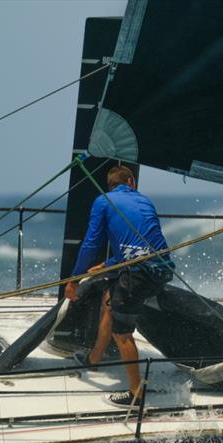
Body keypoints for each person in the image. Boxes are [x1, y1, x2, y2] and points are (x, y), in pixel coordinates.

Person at [65, 165, 174, 408]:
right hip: (163, 269)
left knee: (122, 333)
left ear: (110, 185)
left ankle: (135, 393)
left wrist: (73, 280)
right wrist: (108, 263)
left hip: (139, 274)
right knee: (108, 301)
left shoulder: (103, 201)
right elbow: (142, 245)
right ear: (131, 182)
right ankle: (94, 358)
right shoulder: (145, 201)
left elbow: (91, 242)